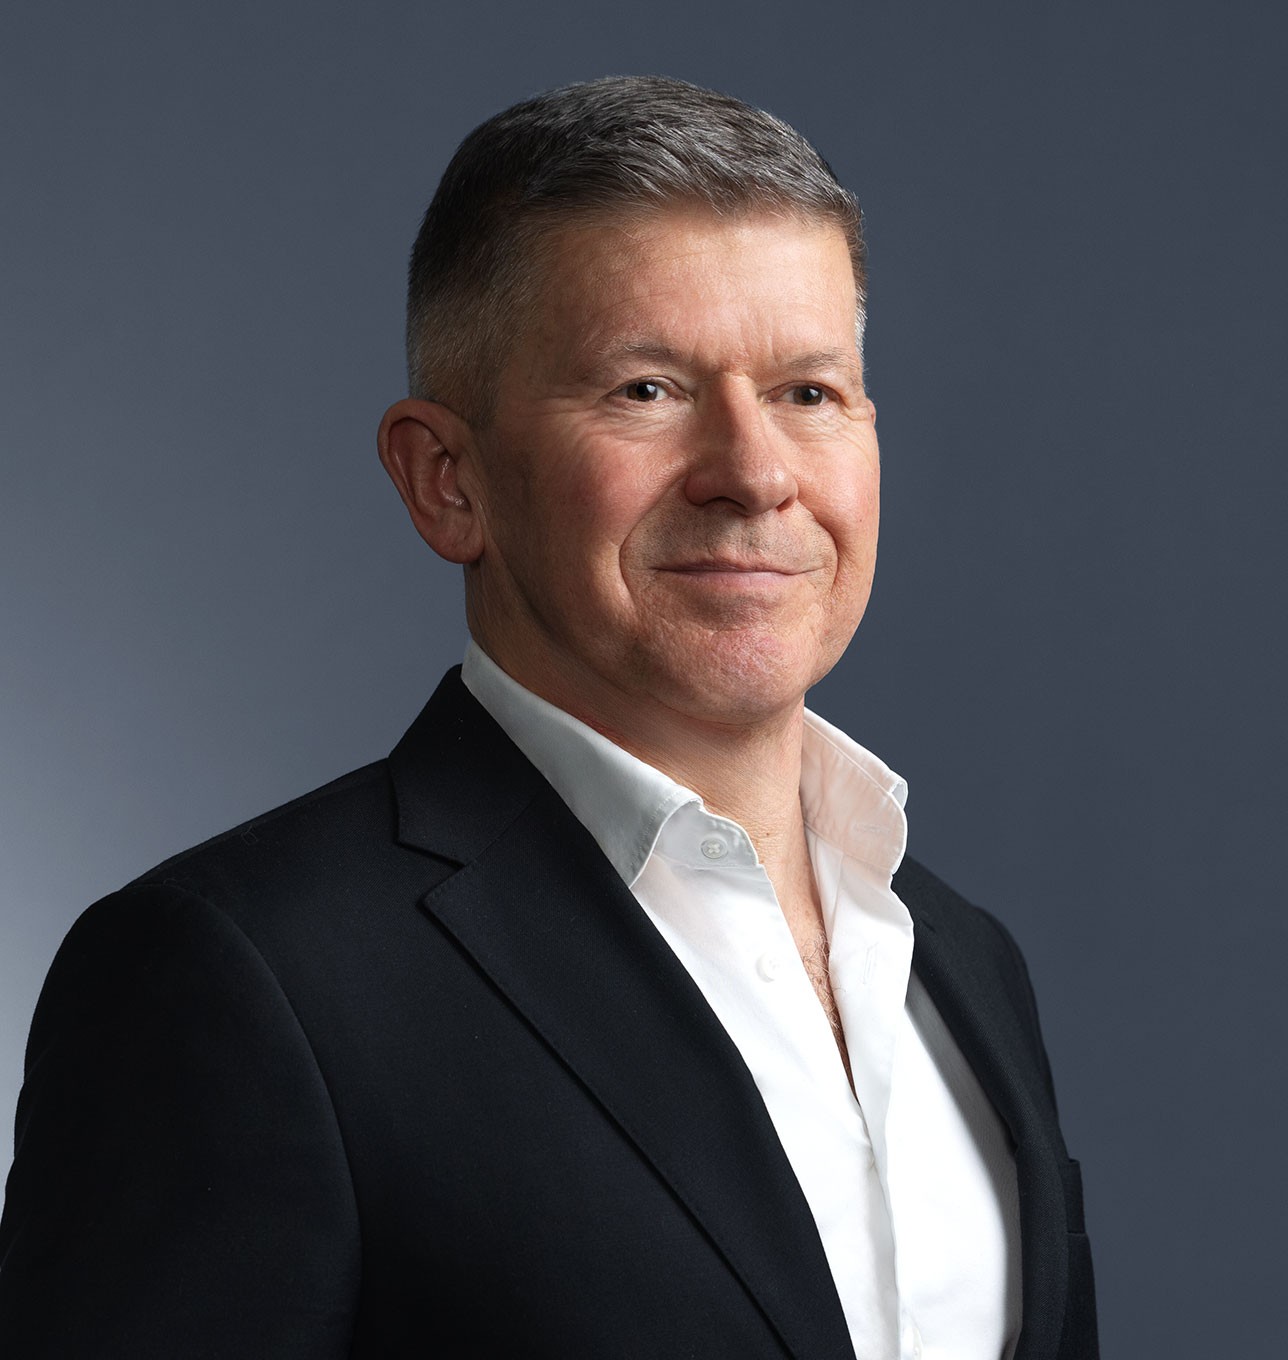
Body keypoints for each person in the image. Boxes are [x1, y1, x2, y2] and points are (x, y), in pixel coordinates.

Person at [0, 76, 1097, 1359]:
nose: (754, 473)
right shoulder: (242, 978)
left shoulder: (962, 963)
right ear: (446, 480)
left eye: (808, 392)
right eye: (646, 390)